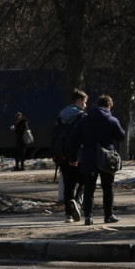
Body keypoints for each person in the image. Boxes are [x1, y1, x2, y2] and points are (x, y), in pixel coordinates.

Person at [69, 94, 126, 225]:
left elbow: (73, 140)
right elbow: (121, 136)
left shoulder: (83, 121)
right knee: (108, 187)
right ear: (109, 106)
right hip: (107, 158)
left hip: (89, 158)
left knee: (89, 188)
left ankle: (88, 217)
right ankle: (108, 215)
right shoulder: (112, 120)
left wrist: (72, 158)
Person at [52, 90, 87, 222]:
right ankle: (77, 203)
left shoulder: (60, 116)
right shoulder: (82, 117)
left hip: (62, 155)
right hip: (79, 156)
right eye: (84, 102)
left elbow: (53, 136)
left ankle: (68, 215)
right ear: (78, 101)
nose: (85, 105)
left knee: (68, 186)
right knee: (85, 182)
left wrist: (56, 155)